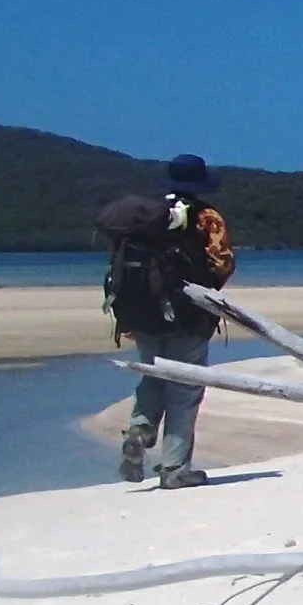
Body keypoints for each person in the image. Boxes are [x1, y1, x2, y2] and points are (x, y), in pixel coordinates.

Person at [106, 154, 236, 489]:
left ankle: (139, 429)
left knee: (152, 375)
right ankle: (175, 469)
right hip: (188, 315)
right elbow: (222, 262)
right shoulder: (206, 216)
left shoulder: (145, 216)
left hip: (143, 312)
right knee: (184, 389)